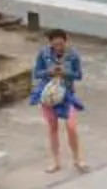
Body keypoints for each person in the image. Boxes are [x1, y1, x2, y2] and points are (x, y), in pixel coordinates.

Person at [32, 31, 87, 173]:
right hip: (49, 95)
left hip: (67, 94)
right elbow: (37, 73)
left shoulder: (73, 55)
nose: (58, 47)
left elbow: (79, 75)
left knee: (71, 127)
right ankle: (55, 161)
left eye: (61, 44)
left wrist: (65, 73)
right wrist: (49, 72)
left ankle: (77, 159)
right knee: (52, 127)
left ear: (66, 41)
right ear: (50, 43)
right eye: (55, 44)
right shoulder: (43, 54)